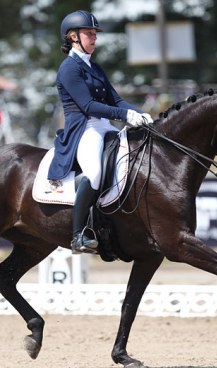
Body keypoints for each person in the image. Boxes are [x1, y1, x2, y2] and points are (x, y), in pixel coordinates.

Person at [48, 10, 153, 255]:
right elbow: (87, 106)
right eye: (89, 33)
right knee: (94, 173)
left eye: (95, 33)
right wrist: (125, 116)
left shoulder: (93, 67)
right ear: (73, 37)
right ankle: (78, 235)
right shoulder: (68, 69)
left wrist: (141, 114)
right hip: (84, 128)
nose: (94, 38)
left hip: (105, 126)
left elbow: (116, 100)